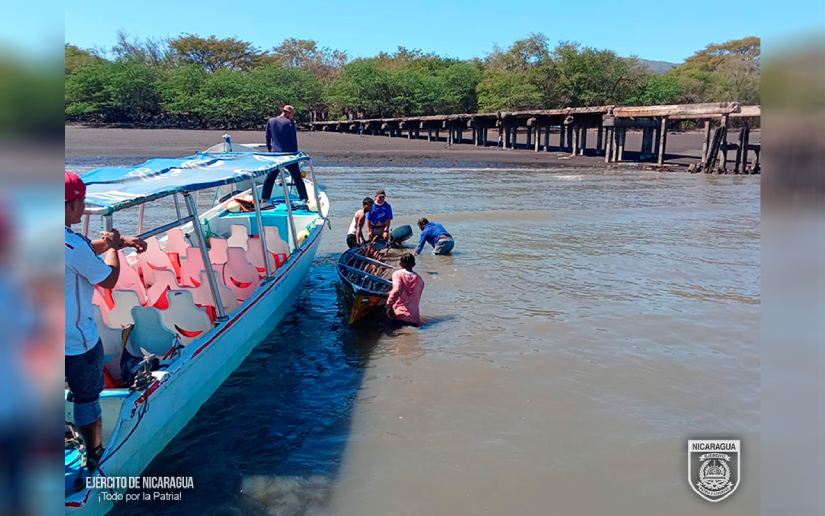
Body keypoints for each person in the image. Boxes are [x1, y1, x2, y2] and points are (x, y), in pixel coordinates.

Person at [65, 171, 146, 469]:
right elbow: (109, 279)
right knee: (86, 399)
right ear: (71, 204)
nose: (83, 208)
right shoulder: (71, 246)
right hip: (75, 342)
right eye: (81, 203)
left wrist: (120, 241)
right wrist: (113, 247)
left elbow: (83, 251)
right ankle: (95, 453)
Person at [263, 105, 309, 202]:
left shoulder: (271, 121)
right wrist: (296, 154)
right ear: (288, 113)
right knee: (297, 177)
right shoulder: (289, 123)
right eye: (292, 114)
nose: (292, 117)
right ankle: (304, 198)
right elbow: (293, 139)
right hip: (289, 155)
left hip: (275, 154)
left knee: (270, 177)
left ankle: (264, 198)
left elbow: (268, 137)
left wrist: (269, 149)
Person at [386, 253, 425, 327]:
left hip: (400, 315)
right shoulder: (420, 279)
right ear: (414, 264)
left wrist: (388, 305)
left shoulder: (398, 274)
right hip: (414, 319)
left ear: (400, 264)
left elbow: (396, 290)